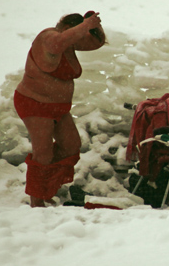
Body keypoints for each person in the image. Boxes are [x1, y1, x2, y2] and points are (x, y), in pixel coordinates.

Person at [14, 12, 106, 207]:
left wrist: (93, 26)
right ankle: (37, 201)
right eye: (77, 32)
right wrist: (84, 25)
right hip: (35, 103)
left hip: (58, 107)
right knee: (43, 153)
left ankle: (46, 187)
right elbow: (58, 43)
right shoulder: (48, 37)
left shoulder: (69, 41)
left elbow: (94, 43)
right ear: (67, 28)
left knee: (71, 145)